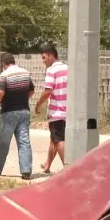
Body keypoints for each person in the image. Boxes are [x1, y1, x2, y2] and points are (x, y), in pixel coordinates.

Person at [0, 54, 35, 179]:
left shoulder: (4, 75)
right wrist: (22, 99)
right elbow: (31, 91)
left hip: (8, 112)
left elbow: (0, 92)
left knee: (4, 142)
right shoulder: (25, 73)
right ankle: (26, 171)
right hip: (24, 111)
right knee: (24, 141)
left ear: (3, 63)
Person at [33, 44, 68, 174]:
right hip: (68, 111)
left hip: (57, 111)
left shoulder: (51, 70)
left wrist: (38, 105)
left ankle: (68, 167)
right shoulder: (67, 68)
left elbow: (48, 91)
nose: (43, 61)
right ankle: (47, 165)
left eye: (44, 58)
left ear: (51, 56)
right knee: (54, 139)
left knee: (58, 140)